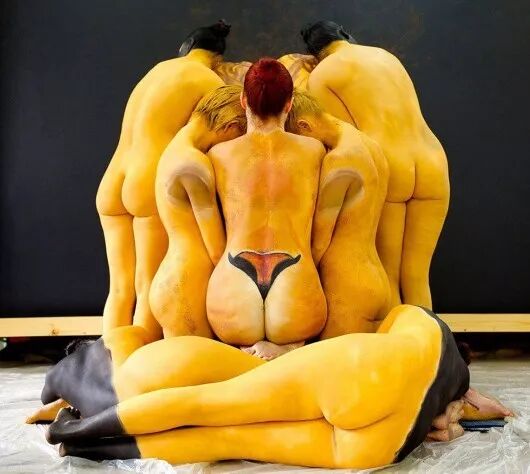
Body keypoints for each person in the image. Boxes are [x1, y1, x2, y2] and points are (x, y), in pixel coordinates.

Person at [41, 305, 469, 469]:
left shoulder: (413, 320)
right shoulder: (448, 373)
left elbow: (382, 325)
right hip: (384, 446)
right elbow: (464, 403)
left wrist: (291, 353)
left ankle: (74, 434)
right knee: (226, 439)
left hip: (365, 373)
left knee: (207, 407)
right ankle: (81, 444)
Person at [302, 20, 449, 312]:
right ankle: (433, 339)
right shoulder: (386, 56)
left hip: (389, 163)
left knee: (389, 276)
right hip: (432, 159)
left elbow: (346, 136)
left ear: (314, 53)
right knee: (418, 276)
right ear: (344, 34)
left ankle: (399, 340)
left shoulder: (322, 76)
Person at [96, 21, 229, 341]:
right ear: (217, 59)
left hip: (112, 180)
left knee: (119, 289)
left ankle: (109, 359)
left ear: (186, 48)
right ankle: (139, 364)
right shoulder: (209, 80)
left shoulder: (156, 71)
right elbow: (213, 136)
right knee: (147, 285)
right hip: (148, 179)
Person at [205, 58, 328, 359]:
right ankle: (289, 347)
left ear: (243, 100)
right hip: (294, 282)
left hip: (234, 286)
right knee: (298, 334)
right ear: (289, 104)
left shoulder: (218, 154)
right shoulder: (314, 151)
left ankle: (243, 351)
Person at [286, 90, 391, 335]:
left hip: (346, 287)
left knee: (329, 360)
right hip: (377, 277)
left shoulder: (339, 160)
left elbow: (320, 242)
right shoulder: (370, 145)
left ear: (304, 125)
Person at [150, 85, 246, 338]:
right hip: (186, 288)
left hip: (176, 279)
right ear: (231, 126)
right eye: (240, 134)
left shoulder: (174, 150)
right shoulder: (193, 165)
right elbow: (216, 249)